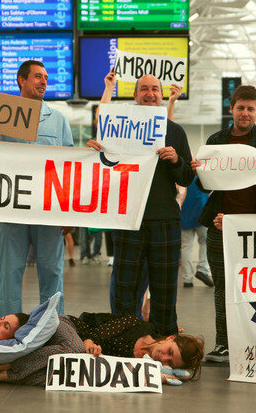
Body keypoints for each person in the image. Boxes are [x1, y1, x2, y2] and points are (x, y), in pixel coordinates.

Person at [87, 70, 194, 336]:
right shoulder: (117, 128)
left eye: (155, 89)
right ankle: (124, 340)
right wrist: (91, 154)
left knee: (165, 288)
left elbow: (187, 177)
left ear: (161, 95)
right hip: (128, 218)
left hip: (164, 218)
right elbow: (103, 168)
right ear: (135, 95)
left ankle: (164, 340)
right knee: (125, 288)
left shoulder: (175, 132)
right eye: (144, 89)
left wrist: (176, 160)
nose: (149, 93)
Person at [193, 85, 256, 363]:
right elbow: (204, 185)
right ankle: (224, 343)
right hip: (220, 225)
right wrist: (200, 171)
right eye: (240, 108)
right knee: (222, 286)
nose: (245, 113)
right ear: (231, 109)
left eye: (250, 109)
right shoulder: (215, 140)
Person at [0, 60, 74, 316]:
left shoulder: (58, 120)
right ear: (21, 80)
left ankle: (53, 326)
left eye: (45, 77)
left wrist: (70, 212)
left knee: (52, 270)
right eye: (37, 76)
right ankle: (6, 326)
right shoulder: (1, 117)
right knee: (10, 269)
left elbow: (71, 168)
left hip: (49, 207)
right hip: (13, 205)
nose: (44, 81)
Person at [0, 313, 204, 386]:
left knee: (64, 376)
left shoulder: (146, 366)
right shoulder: (137, 325)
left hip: (69, 356)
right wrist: (89, 341)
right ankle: (5, 368)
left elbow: (109, 377)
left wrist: (154, 376)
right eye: (169, 351)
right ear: (170, 338)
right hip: (68, 328)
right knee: (75, 350)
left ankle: (1, 375)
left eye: (170, 362)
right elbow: (94, 328)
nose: (163, 358)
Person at [180, 177, 214, 288]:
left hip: (184, 212)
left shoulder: (183, 174)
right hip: (201, 210)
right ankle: (202, 269)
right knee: (206, 242)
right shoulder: (201, 173)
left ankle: (187, 278)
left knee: (186, 246)